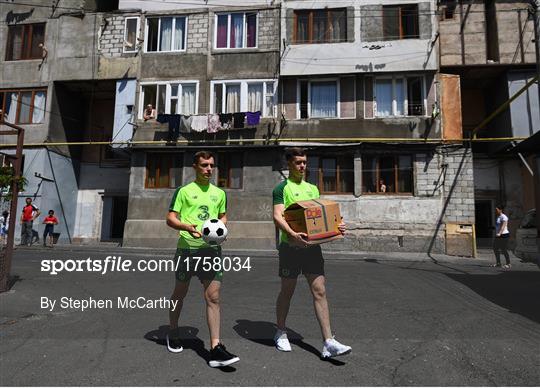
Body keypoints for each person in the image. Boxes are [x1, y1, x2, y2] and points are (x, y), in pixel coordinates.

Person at [272, 147, 351, 359]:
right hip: (290, 248)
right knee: (287, 291)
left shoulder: (312, 189)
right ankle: (280, 332)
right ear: (289, 164)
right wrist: (292, 234)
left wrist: (337, 226)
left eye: (305, 162)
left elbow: (321, 216)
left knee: (320, 291)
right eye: (298, 162)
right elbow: (277, 216)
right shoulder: (281, 188)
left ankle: (328, 342)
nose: (302, 166)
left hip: (312, 249)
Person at [165, 150, 239, 368]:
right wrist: (186, 226)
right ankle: (173, 331)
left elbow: (223, 215)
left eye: (212, 165)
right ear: (195, 167)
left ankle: (216, 347)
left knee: (213, 297)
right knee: (180, 293)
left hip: (211, 251)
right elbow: (170, 218)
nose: (209, 169)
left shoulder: (219, 193)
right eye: (205, 165)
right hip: (187, 249)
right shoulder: (184, 191)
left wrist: (221, 228)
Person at [493, 204, 511, 269]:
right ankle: (498, 263)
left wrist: (499, 233)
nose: (496, 211)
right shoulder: (498, 217)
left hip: (504, 235)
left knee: (503, 249)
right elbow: (497, 226)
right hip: (498, 235)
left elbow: (503, 226)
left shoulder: (504, 217)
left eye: (496, 209)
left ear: (500, 210)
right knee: (495, 248)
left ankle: (508, 264)